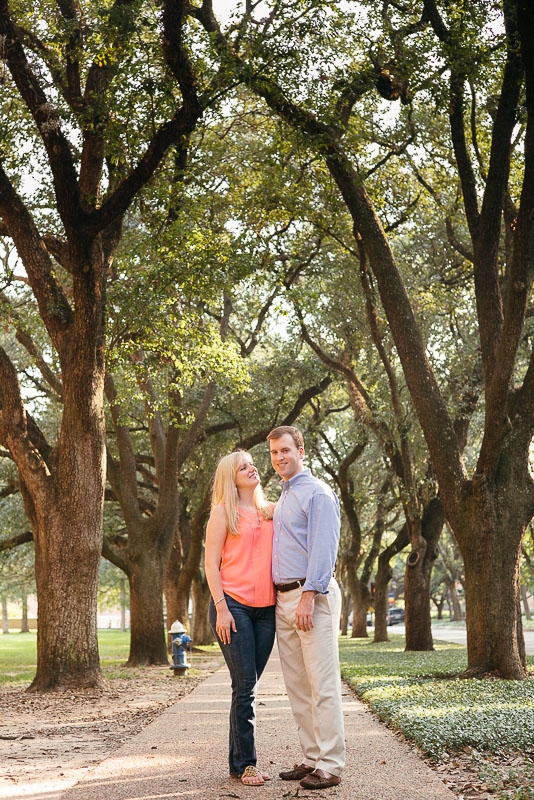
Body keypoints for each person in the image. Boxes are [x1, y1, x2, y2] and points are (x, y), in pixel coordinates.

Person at [267, 425, 345, 790]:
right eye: (274, 453)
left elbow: (324, 549)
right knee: (298, 685)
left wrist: (310, 595)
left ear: (301, 450)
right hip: (283, 598)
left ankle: (330, 765)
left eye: (285, 450)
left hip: (310, 596)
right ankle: (312, 757)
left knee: (322, 684)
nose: (280, 458)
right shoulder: (285, 496)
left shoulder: (317, 493)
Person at [204, 450, 276, 787]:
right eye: (242, 466)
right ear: (230, 477)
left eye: (252, 463)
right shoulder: (223, 513)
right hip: (233, 608)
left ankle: (236, 762)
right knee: (246, 687)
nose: (251, 467)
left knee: (245, 686)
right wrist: (221, 608)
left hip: (266, 611)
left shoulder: (269, 511)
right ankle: (248, 764)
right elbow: (210, 565)